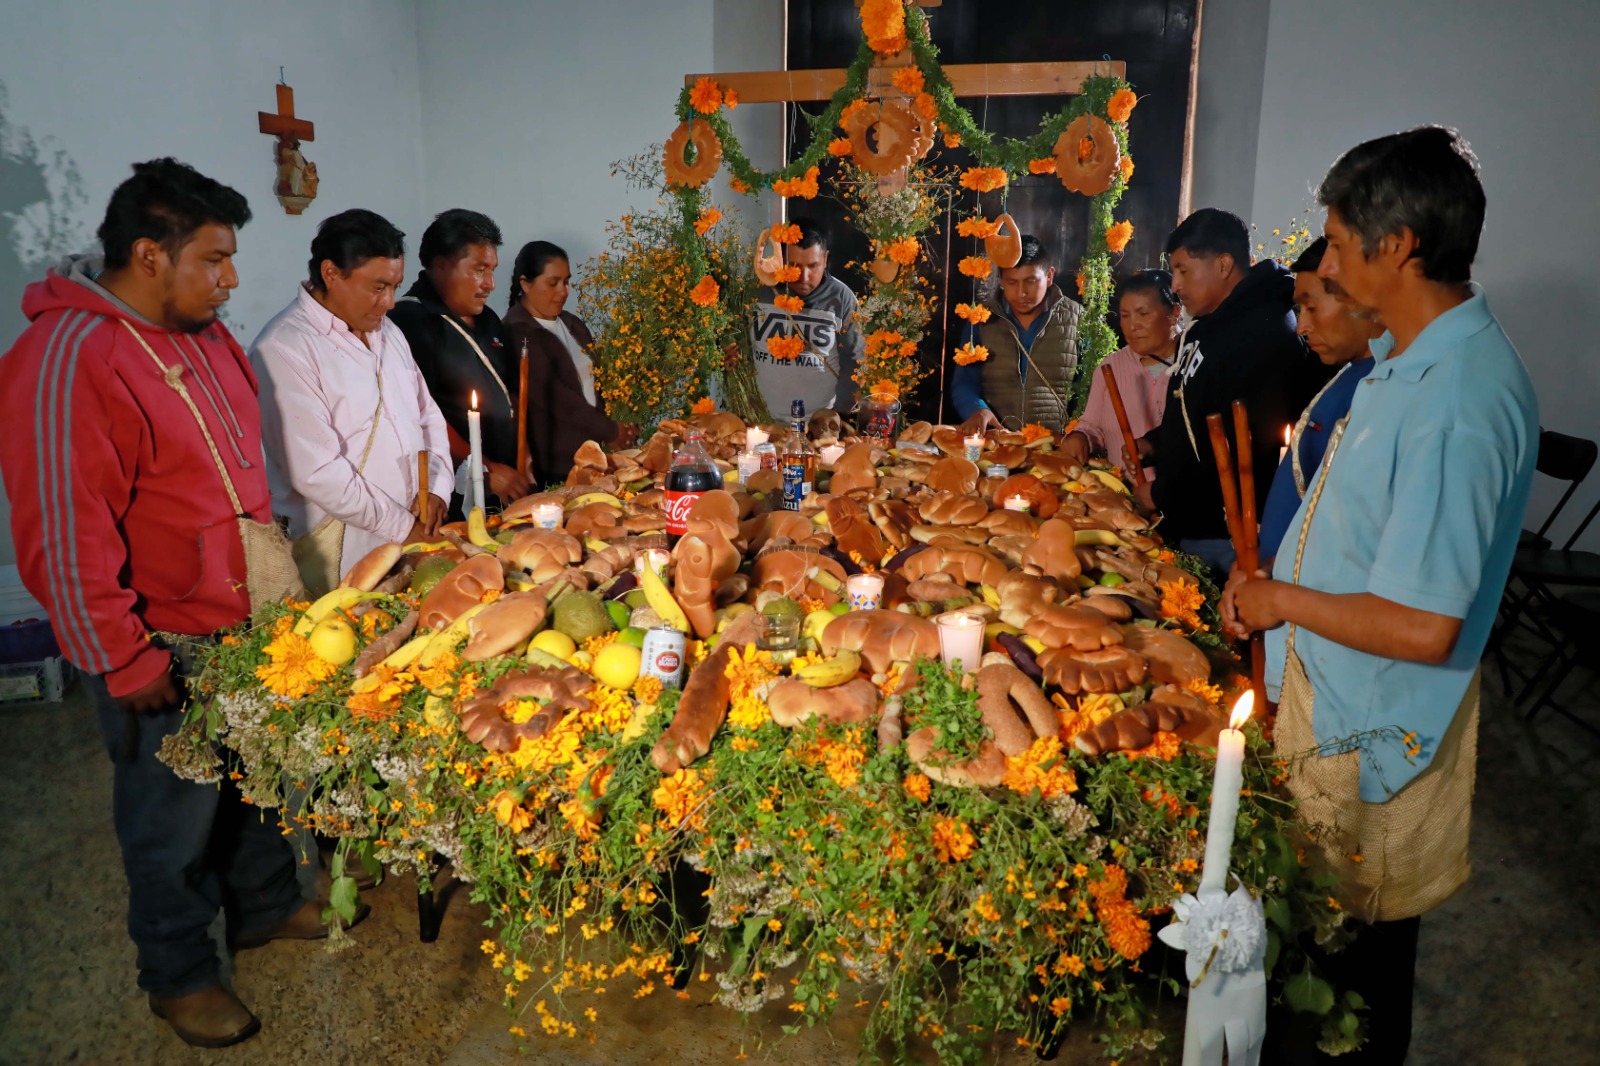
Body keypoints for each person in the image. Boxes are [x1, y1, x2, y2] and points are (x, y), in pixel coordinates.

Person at [0, 159, 359, 1049]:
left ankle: (267, 906)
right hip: (156, 634)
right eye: (215, 259)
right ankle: (177, 972)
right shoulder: (69, 354)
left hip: (237, 615)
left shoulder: (200, 332)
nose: (231, 279)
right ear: (150, 255)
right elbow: (60, 523)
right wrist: (120, 655)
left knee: (252, 785)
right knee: (170, 814)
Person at [1229, 126, 1538, 1064]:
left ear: (1394, 244)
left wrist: (1281, 604)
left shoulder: (1458, 399)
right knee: (1318, 966)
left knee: (1351, 993)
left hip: (1374, 734)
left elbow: (1422, 621)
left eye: (1332, 238)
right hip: (1335, 708)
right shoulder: (1406, 364)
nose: (1322, 261)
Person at [250, 209, 453, 587]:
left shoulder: (388, 333)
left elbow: (427, 415)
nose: (390, 302)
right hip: (342, 552)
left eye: (395, 286)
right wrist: (401, 525)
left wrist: (438, 487)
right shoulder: (283, 347)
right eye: (378, 287)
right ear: (330, 273)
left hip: (414, 533)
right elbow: (316, 471)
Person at [1132, 208, 1331, 572]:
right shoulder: (1212, 326)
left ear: (1223, 265)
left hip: (1227, 536)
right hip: (1192, 525)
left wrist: (1162, 495)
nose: (1174, 286)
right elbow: (1203, 412)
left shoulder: (1265, 334)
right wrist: (1157, 444)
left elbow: (1246, 445)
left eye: (1183, 270)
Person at [389, 208, 533, 505]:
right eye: (480, 270)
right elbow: (421, 414)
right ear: (441, 266)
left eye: (492, 270)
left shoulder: (489, 318)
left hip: (509, 480)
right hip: (458, 489)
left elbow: (509, 390)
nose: (490, 284)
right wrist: (486, 468)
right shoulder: (410, 320)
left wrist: (525, 449)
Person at [1254, 236, 1383, 560]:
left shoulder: (1380, 387)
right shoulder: (1351, 374)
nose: (1301, 327)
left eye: (1311, 307)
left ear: (1360, 298)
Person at [502, 240, 636, 482]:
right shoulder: (517, 333)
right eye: (553, 283)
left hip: (597, 456)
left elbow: (599, 382)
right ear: (526, 284)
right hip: (559, 468)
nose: (563, 291)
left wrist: (624, 419)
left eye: (566, 281)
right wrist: (611, 430)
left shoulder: (572, 324)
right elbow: (557, 399)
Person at [953, 234, 1085, 435]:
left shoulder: (1077, 320)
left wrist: (1079, 432)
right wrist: (977, 409)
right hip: (996, 441)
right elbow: (964, 383)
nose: (1021, 293)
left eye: (1031, 281)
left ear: (1049, 276)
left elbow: (1091, 389)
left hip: (1056, 446)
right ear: (1001, 281)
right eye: (1012, 282)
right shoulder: (981, 318)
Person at [1061, 268, 1181, 471]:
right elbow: (1092, 426)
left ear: (1174, 313)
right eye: (1125, 315)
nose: (1132, 325)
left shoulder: (1193, 363)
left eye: (1143, 314)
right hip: (1122, 494)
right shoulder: (1111, 368)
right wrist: (1080, 437)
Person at [749, 217, 862, 417]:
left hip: (817, 424)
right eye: (794, 265)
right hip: (758, 420)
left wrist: (839, 415)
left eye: (813, 266)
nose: (803, 277)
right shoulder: (758, 291)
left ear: (825, 259)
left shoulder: (842, 298)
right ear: (781, 257)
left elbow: (855, 360)